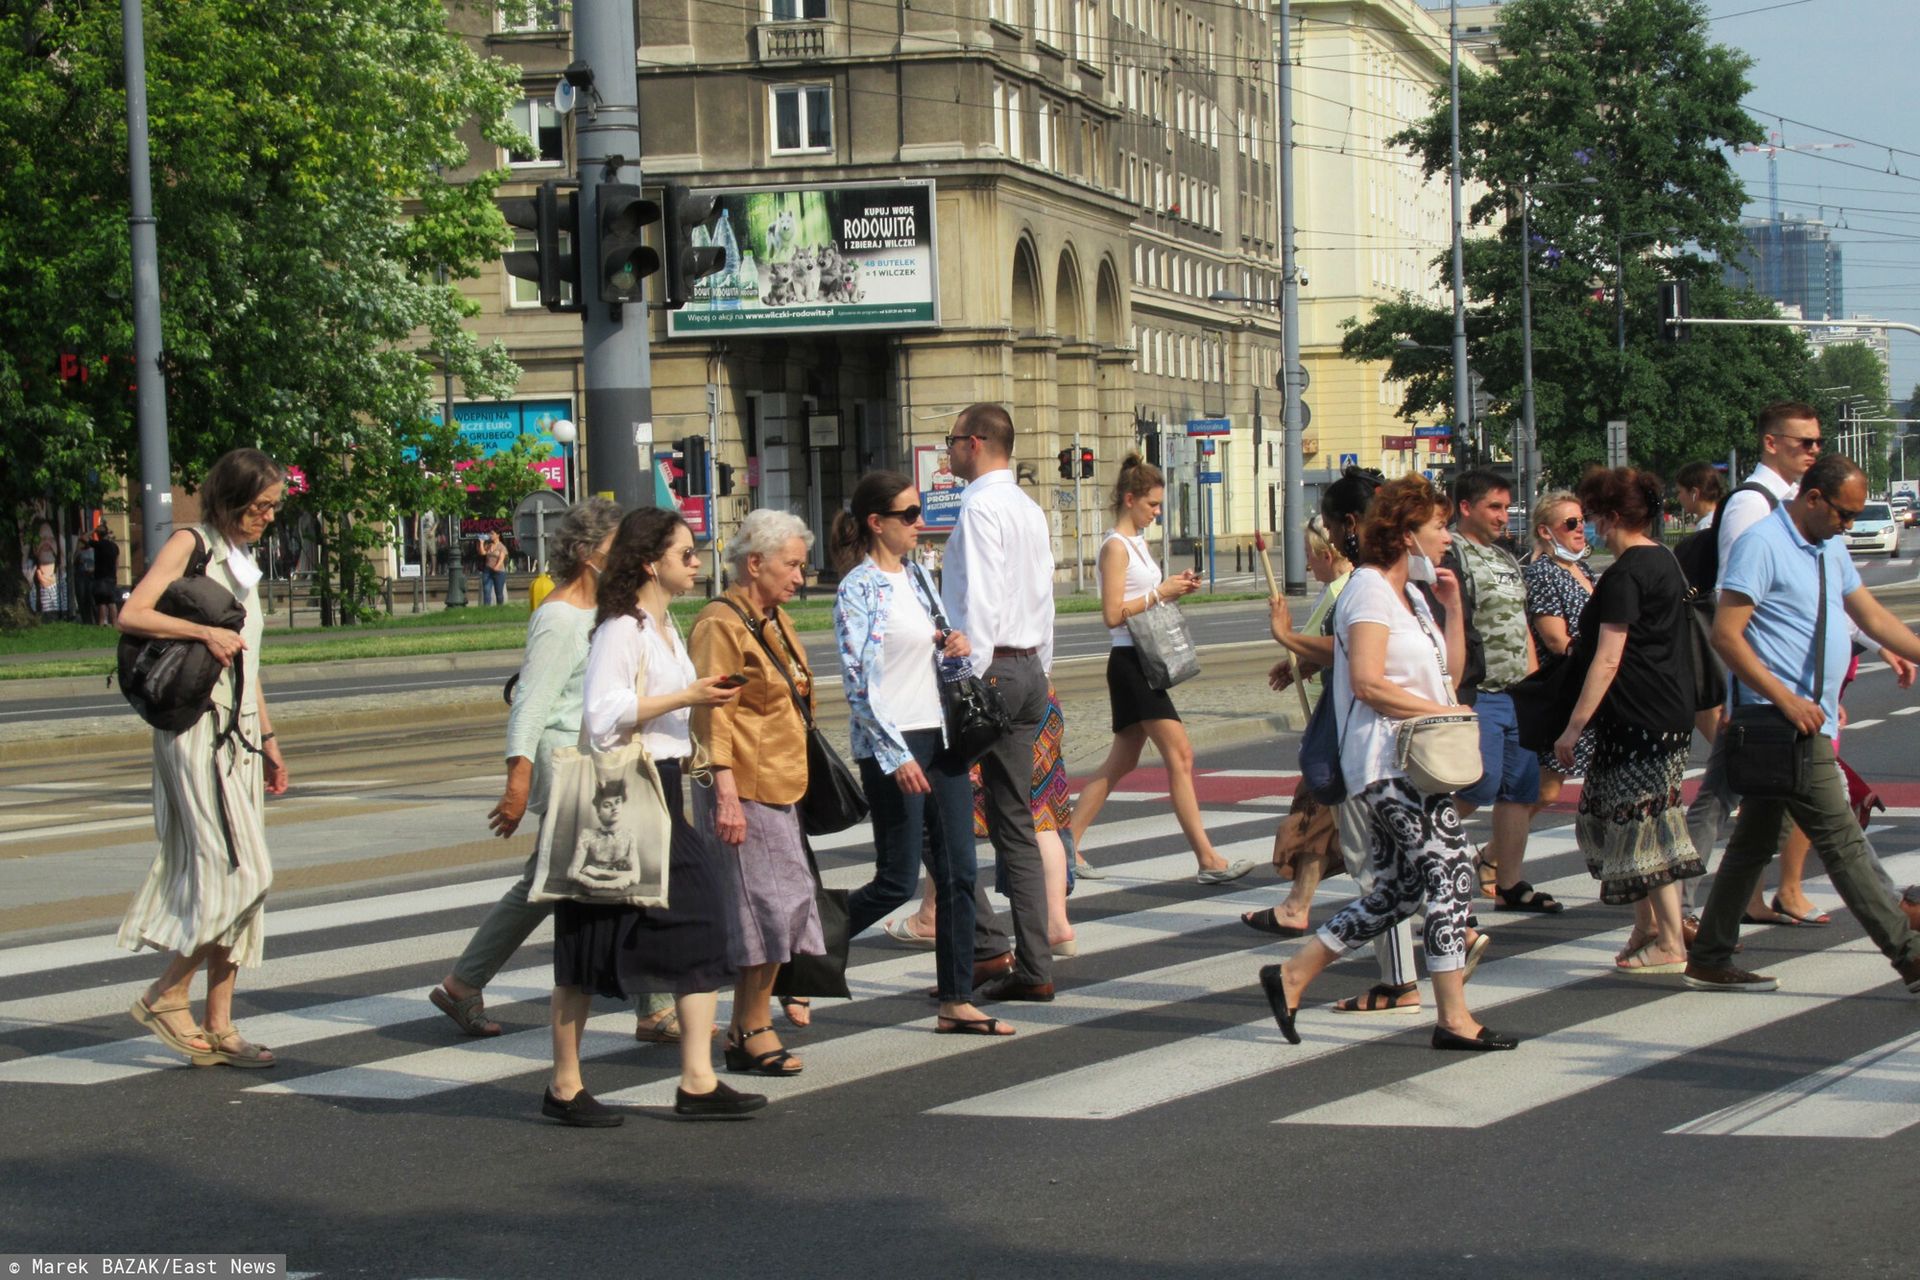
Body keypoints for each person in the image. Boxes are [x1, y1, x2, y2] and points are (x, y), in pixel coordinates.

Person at [1258, 476, 1515, 1051]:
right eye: (1438, 527)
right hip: (1385, 763)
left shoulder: (1414, 598)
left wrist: (1451, 612)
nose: (1447, 537)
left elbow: (1446, 675)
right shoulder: (1368, 591)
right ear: (1405, 535)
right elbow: (1369, 683)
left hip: (1415, 762)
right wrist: (1435, 712)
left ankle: (1293, 974)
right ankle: (1453, 1018)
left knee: (1399, 890)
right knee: (1449, 875)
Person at [426, 500, 684, 1042]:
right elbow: (532, 703)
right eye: (618, 551)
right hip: (573, 765)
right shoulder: (562, 616)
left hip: (605, 760)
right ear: (588, 555)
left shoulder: (616, 610)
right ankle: (652, 1007)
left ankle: (464, 984)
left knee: (599, 877)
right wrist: (516, 782)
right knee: (581, 879)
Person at [543, 506, 763, 1125]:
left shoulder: (665, 627)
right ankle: (564, 1085)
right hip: (624, 792)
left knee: (701, 921)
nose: (696, 563)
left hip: (663, 783)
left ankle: (697, 1078)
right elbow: (602, 715)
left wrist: (703, 695)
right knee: (589, 934)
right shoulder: (623, 627)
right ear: (650, 563)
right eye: (686, 554)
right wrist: (688, 696)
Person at [1688, 454, 1920, 996]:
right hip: (1778, 720)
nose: (1850, 525)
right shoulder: (1761, 543)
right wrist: (1786, 700)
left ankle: (1710, 953)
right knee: (1841, 842)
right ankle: (1909, 955)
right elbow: (1726, 634)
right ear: (1813, 498)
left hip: (1800, 717)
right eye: (1844, 513)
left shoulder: (1827, 545)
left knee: (1754, 838)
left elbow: (1872, 615)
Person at [117, 448, 289, 1068]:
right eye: (261, 505)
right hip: (196, 729)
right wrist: (202, 631)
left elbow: (249, 661)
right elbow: (132, 612)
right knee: (243, 872)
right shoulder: (192, 543)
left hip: (239, 732)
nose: (268, 516)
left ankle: (220, 1024)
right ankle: (167, 992)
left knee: (245, 879)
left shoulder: (243, 561)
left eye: (274, 507)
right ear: (233, 497)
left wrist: (269, 740)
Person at [831, 472, 1013, 1036]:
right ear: (876, 523)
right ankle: (804, 949)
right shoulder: (857, 589)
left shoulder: (917, 576)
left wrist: (955, 645)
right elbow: (859, 683)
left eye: (918, 514)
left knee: (960, 870)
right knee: (895, 879)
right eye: (908, 515)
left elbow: (938, 650)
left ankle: (957, 999)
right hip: (895, 745)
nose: (919, 523)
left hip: (943, 738)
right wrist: (895, 755)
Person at [1070, 456, 1255, 885]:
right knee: (1181, 754)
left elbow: (1145, 599)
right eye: (1152, 505)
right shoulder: (1115, 546)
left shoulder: (1137, 543)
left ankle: (1067, 841)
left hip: (1142, 659)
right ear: (1130, 499)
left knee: (1123, 759)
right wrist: (1160, 593)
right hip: (1130, 662)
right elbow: (1113, 615)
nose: (1157, 512)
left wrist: (1175, 589)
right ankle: (1208, 859)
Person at [691, 509, 827, 1071]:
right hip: (742, 785)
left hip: (778, 785)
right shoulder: (720, 624)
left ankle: (751, 1020)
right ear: (755, 563)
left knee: (787, 904)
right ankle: (749, 1028)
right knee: (761, 909)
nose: (802, 575)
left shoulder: (770, 618)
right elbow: (710, 713)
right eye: (792, 564)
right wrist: (723, 790)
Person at [1552, 469, 1703, 972]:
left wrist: (1574, 726)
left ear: (1612, 517)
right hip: (1664, 709)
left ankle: (1669, 940)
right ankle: (1649, 924)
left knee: (1644, 826)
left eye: (1591, 517)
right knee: (1615, 819)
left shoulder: (1626, 574)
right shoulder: (1664, 560)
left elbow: (1609, 658)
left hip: (1641, 714)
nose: (1589, 527)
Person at [939, 403, 1056, 1003]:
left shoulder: (981, 506)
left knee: (940, 804)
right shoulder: (1028, 508)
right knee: (1016, 821)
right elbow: (1046, 593)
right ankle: (1029, 962)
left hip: (994, 668)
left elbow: (979, 600)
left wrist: (970, 681)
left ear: (977, 443)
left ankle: (986, 947)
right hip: (1029, 664)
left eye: (953, 440)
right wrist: (1041, 670)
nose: (948, 450)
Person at [1442, 469, 1557, 913]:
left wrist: (1534, 685)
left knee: (1520, 791)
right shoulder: (1453, 554)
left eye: (1506, 507)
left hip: (1517, 693)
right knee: (1478, 782)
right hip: (1479, 690)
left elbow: (1522, 624)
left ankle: (1508, 883)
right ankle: (1416, 844)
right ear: (1465, 507)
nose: (1502, 516)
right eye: (1494, 506)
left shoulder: (1506, 558)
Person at [1254, 515, 1350, 933]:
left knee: (1319, 805)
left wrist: (1286, 636)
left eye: (1311, 556)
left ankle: (1434, 899)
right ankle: (1297, 905)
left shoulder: (1340, 591)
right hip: (1339, 716)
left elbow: (1326, 648)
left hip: (1338, 720)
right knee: (1319, 809)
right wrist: (1300, 662)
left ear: (1327, 554)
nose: (1309, 566)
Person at [1522, 492, 1596, 807]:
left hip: (1591, 683)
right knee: (1547, 789)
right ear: (1545, 531)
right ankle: (1494, 855)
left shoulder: (1585, 570)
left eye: (1582, 520)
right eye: (1570, 523)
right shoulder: (1542, 573)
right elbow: (1554, 639)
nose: (1580, 528)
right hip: (1565, 687)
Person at [92, 524, 121, 626]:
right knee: (112, 601)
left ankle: (101, 623)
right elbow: (117, 563)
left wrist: (93, 530)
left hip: (101, 577)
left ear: (98, 534)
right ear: (107, 534)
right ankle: (115, 623)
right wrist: (114, 574)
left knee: (102, 602)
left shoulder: (98, 545)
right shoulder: (114, 546)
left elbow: (83, 538)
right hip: (111, 577)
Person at [26, 547, 65, 619]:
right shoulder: (29, 574)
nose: (46, 542)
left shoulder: (64, 578)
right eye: (42, 539)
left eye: (51, 539)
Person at [480, 532, 509, 606]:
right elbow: (483, 553)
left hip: (499, 572)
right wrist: (481, 543)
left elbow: (501, 558)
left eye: (492, 534)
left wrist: (497, 566)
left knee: (498, 592)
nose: (490, 535)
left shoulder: (502, 547)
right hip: (488, 570)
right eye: (490, 534)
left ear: (498, 535)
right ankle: (487, 608)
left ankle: (500, 608)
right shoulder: (489, 545)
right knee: (486, 590)